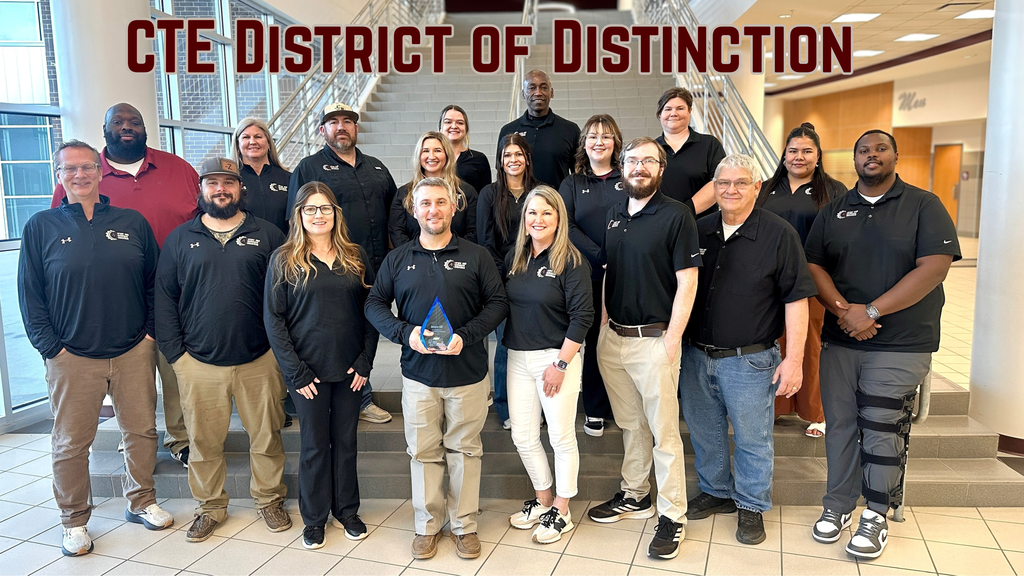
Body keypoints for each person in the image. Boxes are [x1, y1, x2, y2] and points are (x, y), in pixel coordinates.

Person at [805, 130, 960, 559]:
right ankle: (837, 506)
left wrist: (870, 311)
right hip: (842, 339)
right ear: (852, 159)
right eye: (863, 150)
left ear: (895, 156)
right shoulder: (836, 209)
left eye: (880, 149)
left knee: (880, 427)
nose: (871, 156)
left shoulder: (923, 205)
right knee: (840, 426)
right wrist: (843, 310)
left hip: (902, 343)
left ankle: (875, 514)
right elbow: (813, 263)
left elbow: (933, 268)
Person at [19, 140, 173, 557]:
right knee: (71, 442)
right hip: (72, 357)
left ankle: (141, 501)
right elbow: (31, 296)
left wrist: (149, 336)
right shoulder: (41, 227)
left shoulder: (131, 221)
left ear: (100, 171)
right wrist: (52, 348)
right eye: (70, 169)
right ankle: (74, 521)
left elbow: (153, 284)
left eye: (87, 167)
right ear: (59, 176)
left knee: (140, 432)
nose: (80, 175)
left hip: (132, 351)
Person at [365, 177, 507, 561]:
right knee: (424, 453)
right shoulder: (397, 260)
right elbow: (375, 305)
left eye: (441, 202)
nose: (433, 210)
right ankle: (427, 526)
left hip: (468, 375)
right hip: (418, 377)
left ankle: (464, 525)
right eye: (425, 203)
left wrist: (468, 334)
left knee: (465, 450)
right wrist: (404, 333)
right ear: (414, 210)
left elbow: (497, 304)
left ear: (453, 207)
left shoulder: (477, 256)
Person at [50, 102, 199, 467]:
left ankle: (180, 438)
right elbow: (58, 231)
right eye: (118, 121)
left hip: (179, 293)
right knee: (132, 377)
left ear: (146, 129)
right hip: (117, 300)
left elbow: (203, 219)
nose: (126, 126)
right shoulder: (87, 177)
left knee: (175, 369)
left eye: (134, 121)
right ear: (105, 130)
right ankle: (137, 436)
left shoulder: (178, 169)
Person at [679, 154, 816, 545]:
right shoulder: (700, 231)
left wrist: (793, 360)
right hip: (696, 356)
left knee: (753, 438)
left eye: (741, 183)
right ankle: (716, 491)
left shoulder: (779, 234)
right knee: (706, 433)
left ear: (758, 187)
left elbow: (796, 299)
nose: (731, 190)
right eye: (724, 183)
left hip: (751, 360)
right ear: (714, 189)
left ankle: (752, 504)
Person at [155, 157, 291, 542]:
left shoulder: (267, 235)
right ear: (201, 189)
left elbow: (285, 295)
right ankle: (210, 507)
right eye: (212, 183)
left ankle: (269, 499)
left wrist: (280, 352)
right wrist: (177, 356)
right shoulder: (181, 239)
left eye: (228, 183)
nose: (221, 189)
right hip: (198, 362)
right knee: (203, 443)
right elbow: (165, 299)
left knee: (266, 437)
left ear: (239, 188)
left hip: (259, 359)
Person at [588, 137, 701, 560]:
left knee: (664, 434)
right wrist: (602, 323)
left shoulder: (677, 215)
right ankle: (635, 495)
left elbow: (688, 282)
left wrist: (671, 341)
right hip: (613, 338)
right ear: (622, 166)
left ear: (661, 168)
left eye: (647, 161)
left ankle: (673, 515)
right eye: (632, 160)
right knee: (631, 425)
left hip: (654, 341)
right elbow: (606, 273)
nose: (638, 167)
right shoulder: (615, 214)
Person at [264, 182, 378, 550]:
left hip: (349, 370)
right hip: (306, 373)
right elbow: (274, 319)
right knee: (314, 445)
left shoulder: (355, 255)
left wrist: (365, 361)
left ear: (335, 214)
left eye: (325, 208)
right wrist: (294, 371)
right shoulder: (284, 259)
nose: (318, 215)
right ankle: (314, 518)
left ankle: (346, 510)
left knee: (346, 442)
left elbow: (370, 313)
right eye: (310, 209)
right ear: (299, 215)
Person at [289, 101, 396, 425]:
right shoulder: (309, 168)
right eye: (333, 122)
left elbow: (396, 216)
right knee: (342, 328)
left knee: (368, 328)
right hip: (331, 269)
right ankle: (355, 399)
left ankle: (358, 393)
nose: (341, 127)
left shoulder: (376, 167)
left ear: (355, 127)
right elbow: (296, 220)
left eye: (347, 121)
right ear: (322, 130)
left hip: (375, 268)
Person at [504, 185, 593, 544]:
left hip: (556, 359)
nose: (538, 219)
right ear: (524, 219)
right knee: (522, 435)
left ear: (559, 219)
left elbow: (583, 316)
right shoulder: (517, 257)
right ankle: (542, 499)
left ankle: (563, 509)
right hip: (517, 357)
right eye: (532, 213)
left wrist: (560, 363)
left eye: (546, 213)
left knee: (560, 437)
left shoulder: (571, 260)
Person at [758, 122, 848, 438]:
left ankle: (816, 412)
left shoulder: (834, 191)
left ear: (818, 156)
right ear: (784, 155)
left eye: (807, 151)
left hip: (812, 279)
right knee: (773, 342)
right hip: (770, 279)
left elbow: (842, 238)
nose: (799, 157)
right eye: (793, 150)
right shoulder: (767, 188)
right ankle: (778, 407)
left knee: (810, 344)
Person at [558, 113, 622, 438]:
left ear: (615, 143)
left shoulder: (628, 179)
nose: (599, 142)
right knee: (595, 339)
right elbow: (566, 226)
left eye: (606, 136)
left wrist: (619, 258)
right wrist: (601, 256)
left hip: (626, 275)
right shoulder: (572, 183)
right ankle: (595, 408)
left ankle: (624, 406)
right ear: (584, 143)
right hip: (587, 274)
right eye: (593, 136)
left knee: (624, 341)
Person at [477, 134, 541, 429]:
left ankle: (537, 408)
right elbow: (485, 243)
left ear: (527, 158)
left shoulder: (539, 192)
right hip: (503, 280)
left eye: (518, 154)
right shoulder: (489, 195)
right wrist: (505, 277)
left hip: (537, 282)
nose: (513, 159)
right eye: (507, 155)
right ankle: (506, 409)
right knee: (505, 346)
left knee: (538, 347)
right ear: (500, 161)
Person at [390, 131, 478, 246]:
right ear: (419, 156)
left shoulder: (466, 192)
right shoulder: (404, 193)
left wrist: (454, 254)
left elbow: (473, 231)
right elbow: (397, 232)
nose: (431, 156)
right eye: (425, 151)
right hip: (414, 259)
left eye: (438, 150)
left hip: (457, 259)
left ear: (447, 154)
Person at [497, 70, 581, 188]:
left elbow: (579, 174)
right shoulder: (508, 131)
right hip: (519, 204)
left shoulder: (570, 130)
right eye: (532, 88)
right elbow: (501, 172)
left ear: (551, 93)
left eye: (544, 87)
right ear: (523, 94)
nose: (538, 92)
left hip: (557, 203)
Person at [654, 87, 726, 219]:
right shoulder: (650, 149)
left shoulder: (709, 145)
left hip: (702, 225)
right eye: (668, 109)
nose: (673, 113)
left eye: (680, 108)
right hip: (661, 223)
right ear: (660, 114)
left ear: (690, 111)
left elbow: (719, 182)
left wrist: (685, 212)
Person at [234, 117, 291, 234]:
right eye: (246, 137)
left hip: (284, 248)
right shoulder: (232, 181)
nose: (252, 142)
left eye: (258, 136)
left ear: (269, 143)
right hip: (245, 249)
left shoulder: (289, 178)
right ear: (238, 145)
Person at [439, 105, 491, 194]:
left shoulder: (479, 159)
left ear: (466, 129)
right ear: (440, 128)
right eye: (448, 122)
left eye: (460, 123)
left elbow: (485, 196)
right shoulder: (433, 159)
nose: (454, 126)